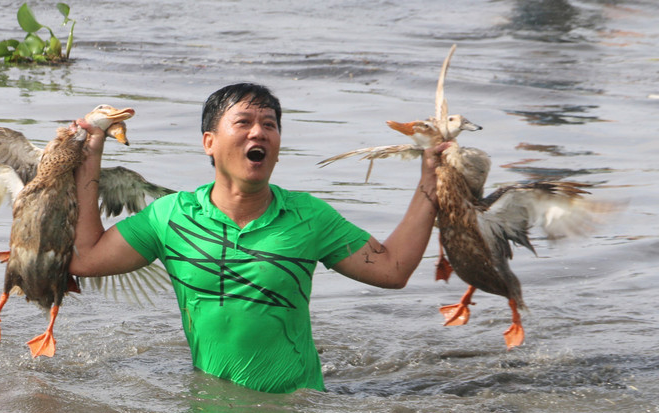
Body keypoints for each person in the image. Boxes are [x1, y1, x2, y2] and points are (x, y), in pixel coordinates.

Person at [70, 83, 440, 394]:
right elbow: (86, 258)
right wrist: (91, 151)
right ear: (209, 142)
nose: (259, 132)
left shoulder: (308, 216)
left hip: (295, 411)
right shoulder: (172, 216)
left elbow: (393, 269)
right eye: (243, 122)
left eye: (269, 124)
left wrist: (431, 175)